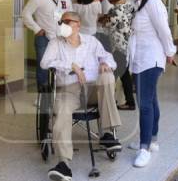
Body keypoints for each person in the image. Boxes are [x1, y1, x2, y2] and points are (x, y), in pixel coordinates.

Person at [42, 12, 122, 181]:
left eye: (66, 22)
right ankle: (63, 164)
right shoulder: (56, 43)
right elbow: (45, 62)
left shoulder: (91, 41)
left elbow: (108, 56)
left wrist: (105, 64)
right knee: (62, 108)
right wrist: (71, 65)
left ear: (77, 24)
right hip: (68, 90)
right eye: (60, 22)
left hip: (93, 89)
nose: (61, 25)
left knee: (107, 76)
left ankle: (108, 134)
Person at [127, 0, 176, 168]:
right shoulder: (139, 2)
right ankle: (152, 140)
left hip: (150, 59)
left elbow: (164, 30)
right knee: (151, 100)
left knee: (145, 103)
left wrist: (170, 51)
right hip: (139, 58)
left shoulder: (154, 3)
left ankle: (144, 148)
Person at [22, 0, 73, 90]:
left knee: (62, 66)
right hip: (44, 38)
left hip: (62, 37)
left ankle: (58, 95)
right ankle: (43, 99)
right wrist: (37, 29)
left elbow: (71, 14)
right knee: (43, 67)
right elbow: (25, 14)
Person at [99, 0, 137, 110]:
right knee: (124, 74)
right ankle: (129, 101)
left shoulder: (115, 10)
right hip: (127, 45)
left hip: (118, 46)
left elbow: (105, 24)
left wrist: (103, 18)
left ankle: (110, 101)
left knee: (113, 75)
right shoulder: (129, 6)